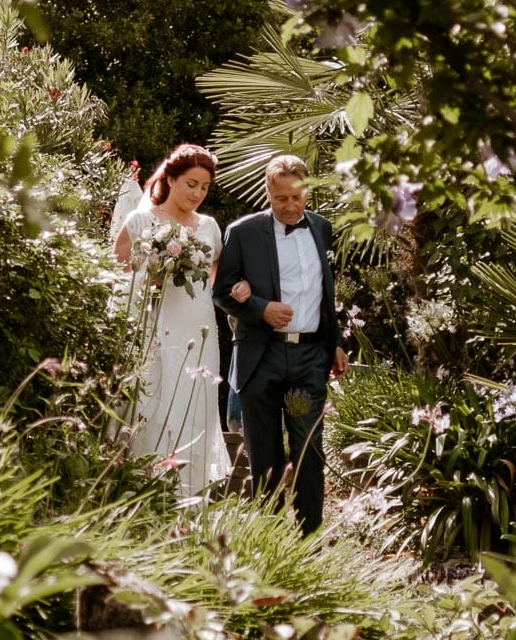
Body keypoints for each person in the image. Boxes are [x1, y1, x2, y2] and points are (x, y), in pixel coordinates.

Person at [213, 154, 348, 534]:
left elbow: (325, 292)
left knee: (309, 449)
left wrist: (333, 342)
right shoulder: (242, 232)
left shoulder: (322, 228)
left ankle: (309, 542)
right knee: (265, 457)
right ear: (268, 193)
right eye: (280, 199)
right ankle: (270, 542)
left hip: (309, 357)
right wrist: (260, 308)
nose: (289, 207)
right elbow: (222, 292)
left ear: (308, 191)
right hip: (261, 355)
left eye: (297, 198)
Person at [113, 144, 233, 497]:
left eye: (204, 187)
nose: (197, 193)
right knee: (152, 405)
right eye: (190, 184)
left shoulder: (209, 227)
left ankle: (187, 497)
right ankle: (142, 492)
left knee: (193, 409)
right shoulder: (141, 221)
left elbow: (215, 278)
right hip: (153, 328)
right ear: (170, 179)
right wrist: (152, 277)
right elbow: (118, 269)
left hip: (198, 331)